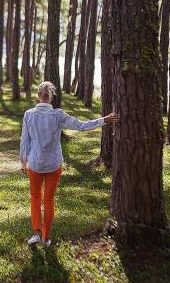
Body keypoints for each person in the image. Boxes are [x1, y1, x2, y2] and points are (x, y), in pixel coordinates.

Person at [19, 81, 120, 246]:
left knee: (36, 197)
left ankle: (36, 234)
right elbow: (81, 126)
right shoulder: (58, 115)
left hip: (35, 164)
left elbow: (25, 140)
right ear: (51, 97)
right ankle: (45, 238)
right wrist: (105, 119)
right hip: (53, 164)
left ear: (38, 96)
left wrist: (23, 161)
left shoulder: (29, 114)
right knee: (49, 199)